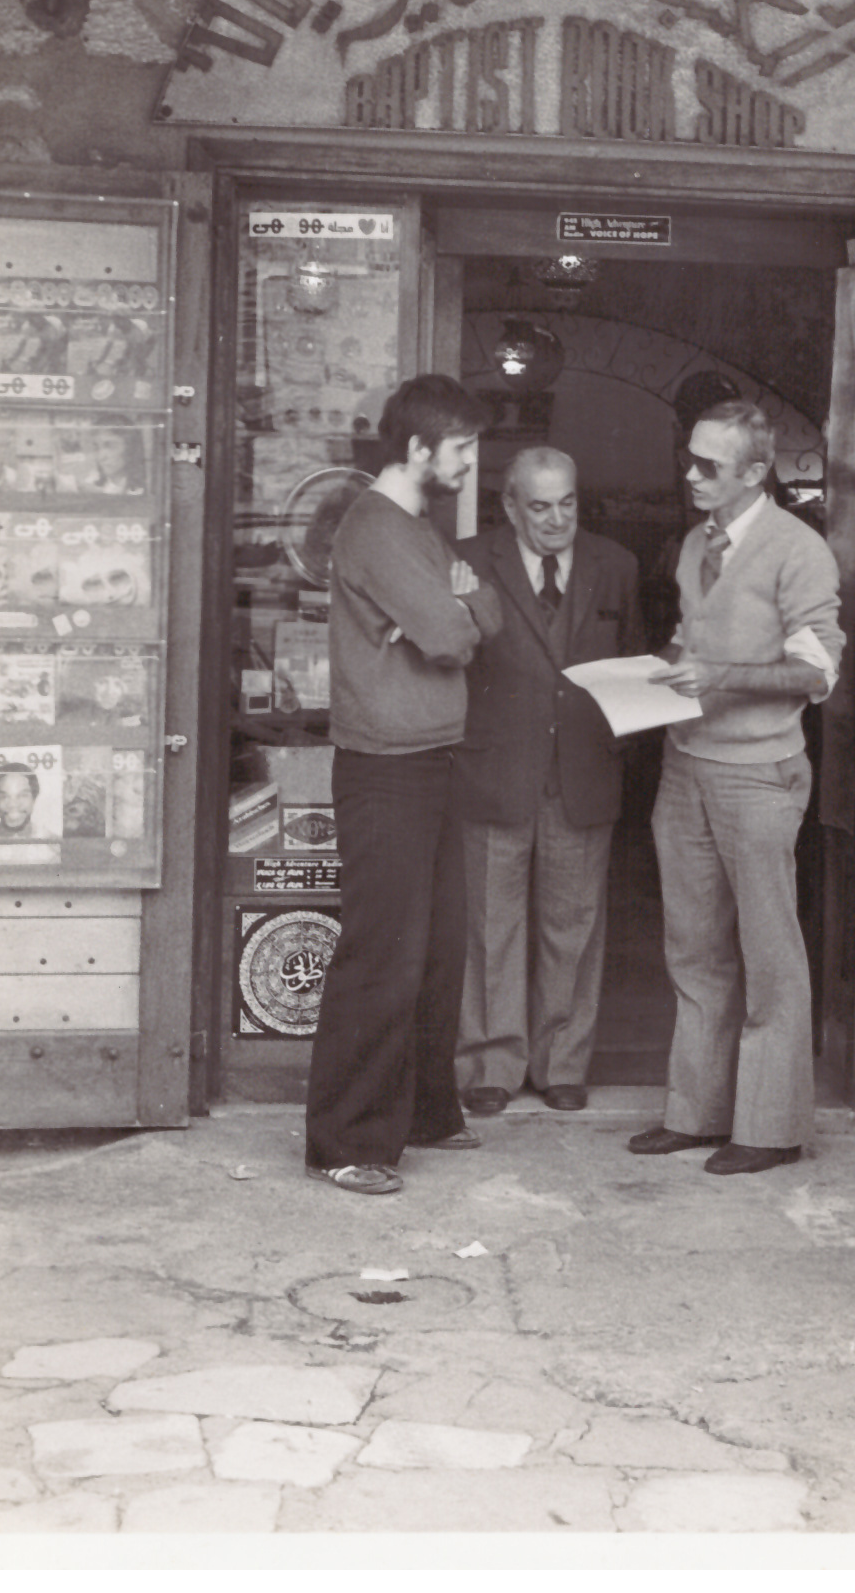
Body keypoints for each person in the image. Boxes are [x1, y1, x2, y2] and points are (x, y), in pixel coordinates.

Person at [630, 399, 844, 1177]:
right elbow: (693, 639)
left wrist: (718, 674)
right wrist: (654, 672)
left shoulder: (798, 549)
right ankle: (696, 1112)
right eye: (688, 458)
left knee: (768, 951)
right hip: (686, 763)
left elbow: (818, 670)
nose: (689, 474)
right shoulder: (697, 542)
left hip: (758, 773)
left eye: (708, 465)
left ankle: (771, 1126)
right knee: (692, 948)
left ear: (756, 472)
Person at [303, 374, 503, 1195]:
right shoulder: (378, 528)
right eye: (460, 447)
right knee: (383, 955)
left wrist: (452, 608)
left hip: (432, 757)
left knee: (437, 948)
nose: (469, 461)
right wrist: (448, 611)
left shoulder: (417, 527)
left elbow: (485, 612)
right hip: (386, 766)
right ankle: (346, 1141)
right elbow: (454, 637)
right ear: (418, 448)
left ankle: (424, 1112)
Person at [452, 447, 644, 1116]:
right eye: (540, 506)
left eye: (568, 503)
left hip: (583, 772)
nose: (558, 519)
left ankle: (562, 1061)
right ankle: (491, 1063)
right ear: (510, 506)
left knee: (574, 926)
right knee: (490, 926)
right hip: (494, 769)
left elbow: (633, 661)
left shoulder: (616, 566)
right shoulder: (468, 562)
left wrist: (616, 746)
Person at [0, 763, 45, 841]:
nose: (13, 804)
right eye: (4, 797)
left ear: (34, 798)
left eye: (22, 795)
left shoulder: (50, 841)